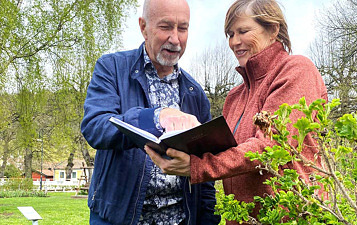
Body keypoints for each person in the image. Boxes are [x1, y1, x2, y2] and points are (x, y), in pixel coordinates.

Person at [145, 0, 328, 224]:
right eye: (230, 34)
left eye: (243, 31)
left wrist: (197, 166)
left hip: (290, 217)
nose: (235, 42)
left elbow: (270, 146)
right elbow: (226, 153)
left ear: (273, 30)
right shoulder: (234, 97)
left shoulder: (296, 71)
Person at [80, 0, 220, 224]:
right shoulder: (111, 68)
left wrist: (207, 219)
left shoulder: (196, 94)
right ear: (143, 27)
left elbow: (204, 171)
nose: (175, 39)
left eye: (182, 28)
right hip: (118, 218)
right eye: (165, 27)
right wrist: (155, 117)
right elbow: (95, 127)